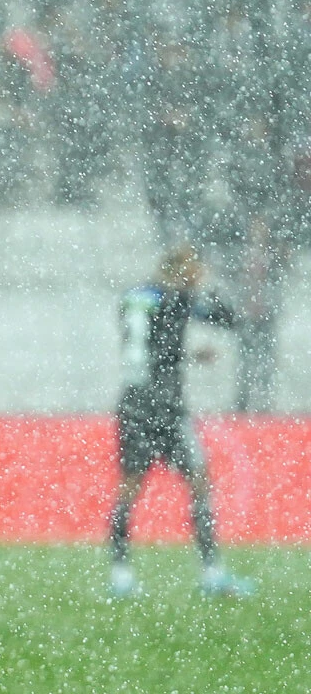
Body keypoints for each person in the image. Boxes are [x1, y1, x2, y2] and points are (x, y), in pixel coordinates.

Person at [109, 245, 254, 598]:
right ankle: (212, 574)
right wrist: (206, 295)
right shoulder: (179, 297)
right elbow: (229, 318)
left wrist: (181, 353)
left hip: (133, 403)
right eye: (197, 271)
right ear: (184, 271)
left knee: (128, 490)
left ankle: (121, 576)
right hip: (166, 407)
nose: (200, 277)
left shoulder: (135, 296)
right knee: (199, 482)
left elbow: (144, 346)